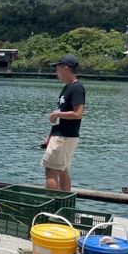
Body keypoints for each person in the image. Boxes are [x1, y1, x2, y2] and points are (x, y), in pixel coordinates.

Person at [41, 54, 85, 191]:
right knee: (62, 169)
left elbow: (78, 114)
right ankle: (63, 201)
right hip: (61, 135)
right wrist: (50, 136)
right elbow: (62, 116)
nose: (56, 72)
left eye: (57, 68)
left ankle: (52, 202)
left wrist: (57, 114)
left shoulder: (77, 88)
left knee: (51, 170)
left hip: (64, 136)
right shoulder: (68, 87)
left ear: (65, 68)